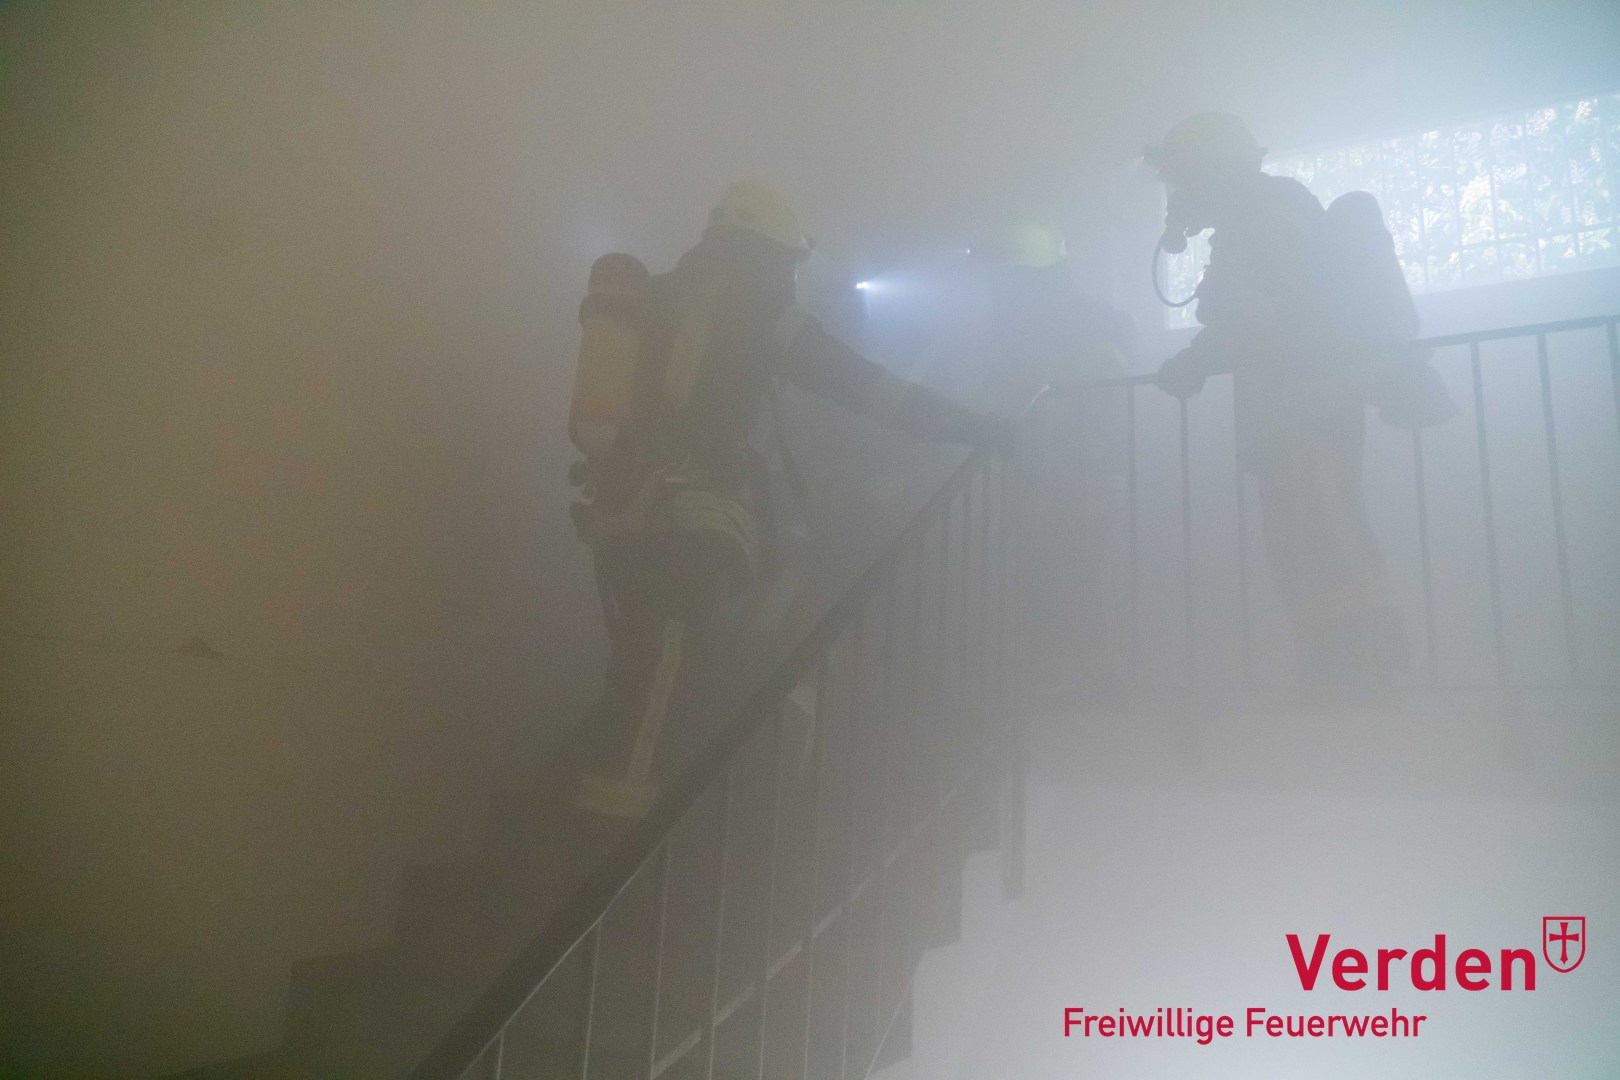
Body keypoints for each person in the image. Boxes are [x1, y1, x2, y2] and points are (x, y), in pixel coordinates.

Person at [566, 179, 1015, 818]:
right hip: (691, 522)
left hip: (615, 514)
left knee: (638, 664)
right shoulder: (762, 312)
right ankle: (617, 835)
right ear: (775, 255)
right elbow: (868, 389)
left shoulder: (657, 297)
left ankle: (594, 813)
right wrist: (975, 428)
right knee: (665, 673)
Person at [1144, 113, 1409, 696]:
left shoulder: (1267, 217)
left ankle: (1367, 670)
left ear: (1210, 171)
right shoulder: (1256, 217)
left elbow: (1261, 314)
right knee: (1302, 541)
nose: (1177, 192)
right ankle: (1336, 668)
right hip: (1290, 411)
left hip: (1305, 409)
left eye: (1181, 176)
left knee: (1326, 534)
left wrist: (1195, 360)